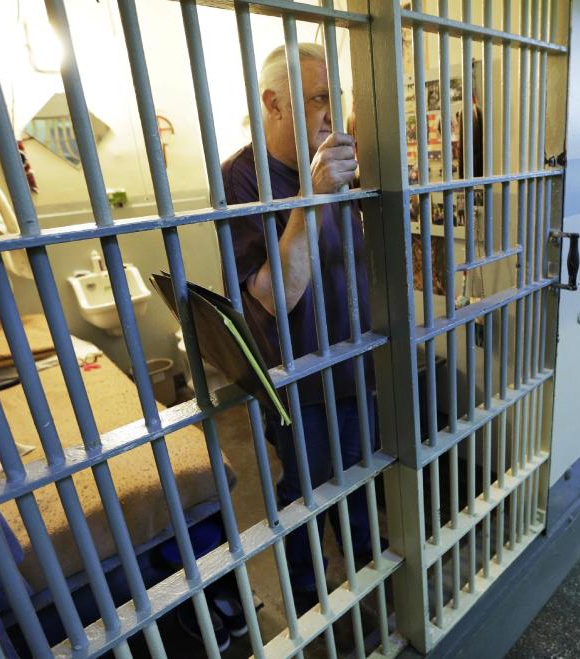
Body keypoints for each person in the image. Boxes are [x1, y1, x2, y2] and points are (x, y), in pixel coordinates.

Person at [221, 43, 376, 612]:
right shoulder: (240, 179)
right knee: (305, 492)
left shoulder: (345, 162)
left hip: (355, 359)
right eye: (317, 99)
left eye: (337, 100)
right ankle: (312, 602)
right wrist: (310, 198)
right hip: (295, 377)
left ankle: (368, 573)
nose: (332, 114)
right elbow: (276, 297)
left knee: (360, 476)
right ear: (274, 104)